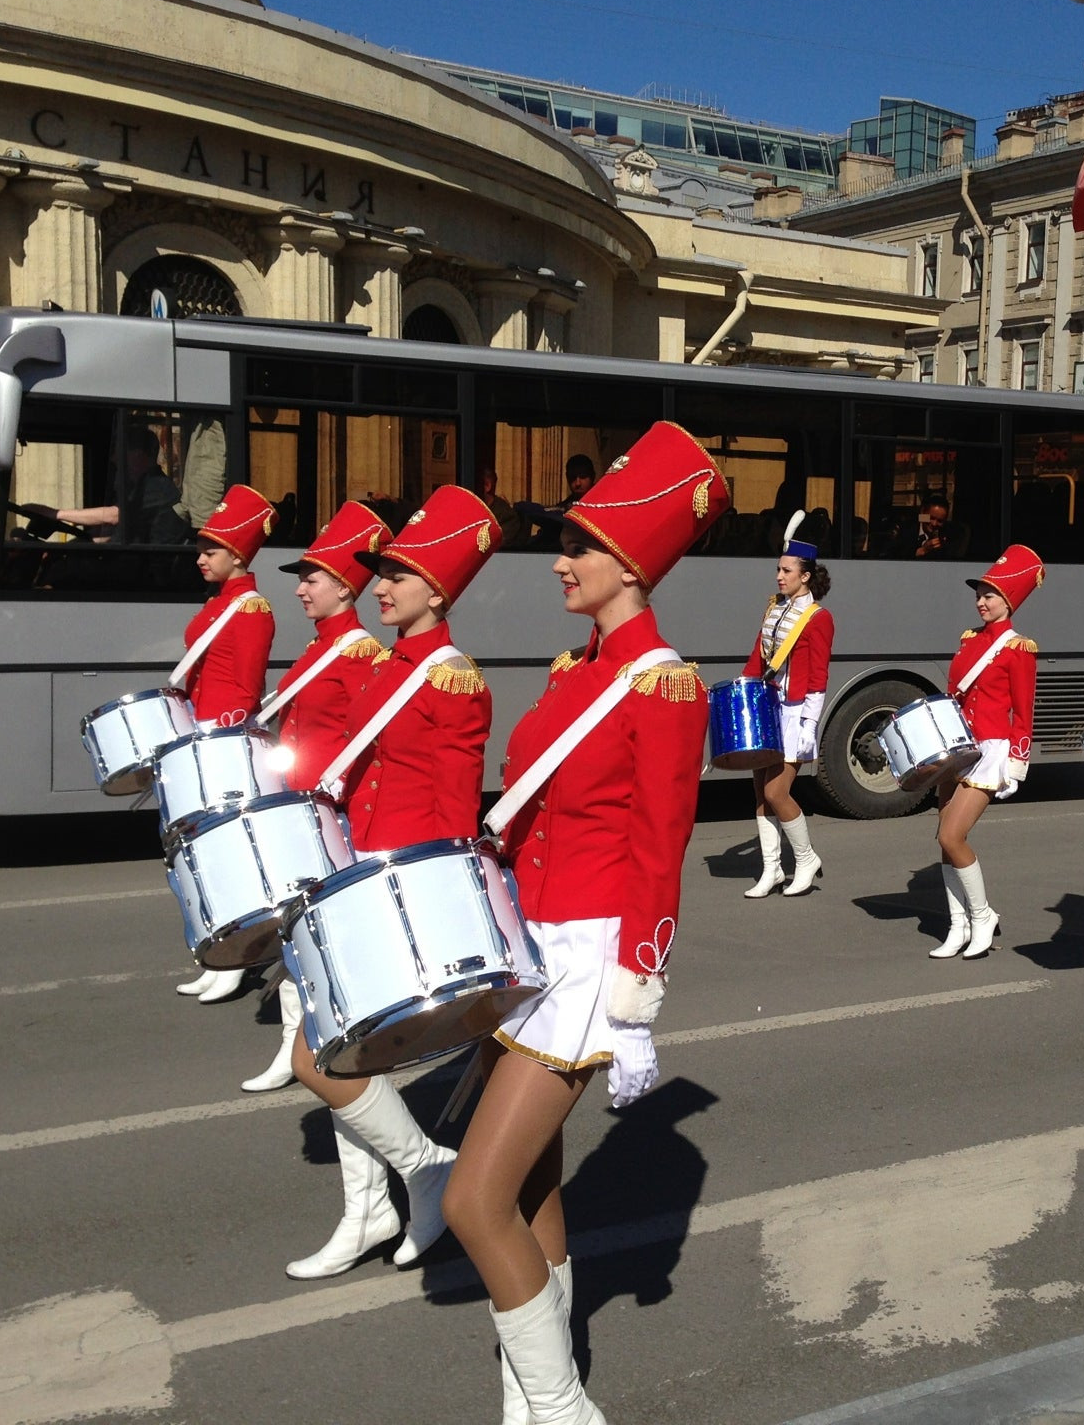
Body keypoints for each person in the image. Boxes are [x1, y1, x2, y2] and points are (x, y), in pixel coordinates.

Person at [444, 423, 727, 1425]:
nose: (560, 562)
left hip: (590, 957)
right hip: (531, 943)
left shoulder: (665, 684)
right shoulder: (576, 672)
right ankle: (534, 1394)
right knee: (529, 1189)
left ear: (629, 564)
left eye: (579, 546)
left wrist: (637, 986)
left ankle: (562, 1408)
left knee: (470, 1201)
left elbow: (661, 846)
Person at [283, 484, 499, 1279]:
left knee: (322, 1059)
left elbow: (451, 814)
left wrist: (429, 911)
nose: (379, 586)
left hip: (394, 890)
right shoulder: (385, 664)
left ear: (436, 592)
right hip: (351, 873)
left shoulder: (450, 680)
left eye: (396, 577)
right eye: (378, 576)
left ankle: (422, 1168)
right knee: (340, 1056)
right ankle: (366, 1210)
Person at [237, 501, 392, 1094]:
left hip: (330, 818)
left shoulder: (359, 656)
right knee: (294, 935)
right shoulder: (316, 649)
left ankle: (305, 1048)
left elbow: (368, 745)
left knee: (309, 938)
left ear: (346, 587)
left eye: (313, 578)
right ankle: (300, 1045)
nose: (301, 589)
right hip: (298, 810)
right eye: (302, 578)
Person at [173, 485, 277, 1004]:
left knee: (230, 856)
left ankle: (238, 959)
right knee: (205, 857)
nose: (200, 558)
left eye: (210, 550)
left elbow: (246, 687)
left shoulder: (252, 609)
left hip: (225, 742)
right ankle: (216, 955)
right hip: (201, 736)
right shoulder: (222, 604)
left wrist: (220, 737)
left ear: (237, 555)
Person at [926, 547, 1042, 961]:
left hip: (991, 750)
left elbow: (1024, 712)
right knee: (942, 843)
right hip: (957, 747)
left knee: (951, 835)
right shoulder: (969, 639)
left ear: (1008, 601)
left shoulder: (1019, 648)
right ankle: (957, 926)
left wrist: (1017, 761)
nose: (981, 600)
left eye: (990, 594)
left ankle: (982, 916)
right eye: (979, 593)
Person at [740, 512, 835, 898]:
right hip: (768, 706)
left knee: (779, 792)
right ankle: (771, 870)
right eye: (778, 570)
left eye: (786, 571)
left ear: (806, 575)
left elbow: (818, 675)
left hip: (796, 711)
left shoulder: (818, 618)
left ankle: (806, 857)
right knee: (761, 793)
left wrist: (810, 723)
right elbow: (757, 657)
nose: (779, 576)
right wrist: (744, 690)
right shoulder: (774, 608)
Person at [53, 427, 183, 543]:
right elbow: (117, 536)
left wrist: (57, 514)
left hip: (153, 563)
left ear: (138, 455)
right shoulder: (140, 485)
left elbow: (113, 516)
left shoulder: (156, 486)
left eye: (121, 454)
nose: (115, 459)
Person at [913, 493, 966, 560]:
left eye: (940, 521)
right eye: (931, 518)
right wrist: (922, 550)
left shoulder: (948, 535)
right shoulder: (906, 529)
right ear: (922, 512)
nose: (934, 524)